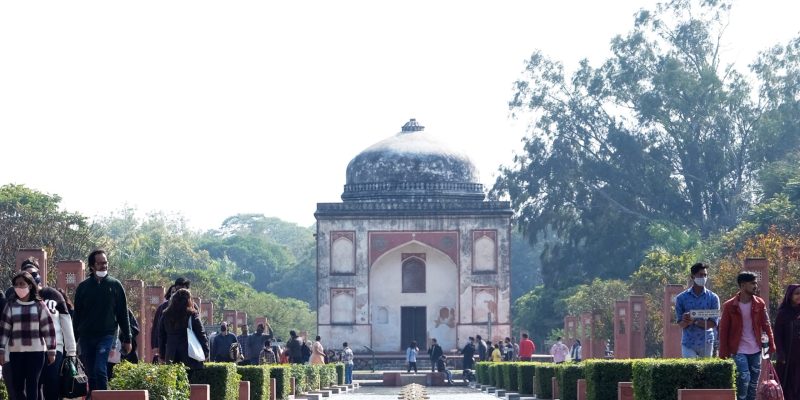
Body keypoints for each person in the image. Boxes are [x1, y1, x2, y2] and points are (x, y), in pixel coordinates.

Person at [11, 258, 78, 400]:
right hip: (31, 350)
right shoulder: (17, 299)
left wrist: (71, 351)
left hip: (55, 348)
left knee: (52, 386)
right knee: (33, 388)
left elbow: (66, 322)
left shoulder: (53, 294)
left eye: (34, 274)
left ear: (39, 275)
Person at [73, 249, 133, 395]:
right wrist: (73, 340)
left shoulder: (115, 285)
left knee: (100, 368)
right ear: (92, 266)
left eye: (105, 262)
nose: (103, 266)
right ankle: (94, 396)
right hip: (86, 336)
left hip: (106, 335)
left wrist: (128, 338)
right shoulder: (83, 287)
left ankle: (104, 396)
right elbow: (77, 315)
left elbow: (122, 314)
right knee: (90, 372)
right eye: (100, 263)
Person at [0, 271, 57, 400]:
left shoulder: (39, 305)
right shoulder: (10, 305)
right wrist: (1, 350)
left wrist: (51, 350)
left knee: (33, 385)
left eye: (22, 284)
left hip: (36, 352)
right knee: (17, 386)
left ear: (30, 285)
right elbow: (4, 330)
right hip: (16, 352)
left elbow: (48, 328)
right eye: (16, 284)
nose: (19, 287)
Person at [719, 271, 775, 400]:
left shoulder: (760, 303)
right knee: (744, 377)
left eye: (756, 283)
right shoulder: (729, 306)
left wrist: (771, 345)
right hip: (738, 349)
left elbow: (766, 325)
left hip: (755, 349)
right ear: (743, 285)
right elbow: (724, 330)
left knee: (754, 383)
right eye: (752, 283)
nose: (756, 286)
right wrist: (723, 351)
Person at [675, 262, 720, 358]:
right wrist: (686, 320)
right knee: (689, 371)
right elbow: (680, 324)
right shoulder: (681, 298)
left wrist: (695, 321)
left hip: (706, 342)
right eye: (700, 275)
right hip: (688, 343)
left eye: (705, 275)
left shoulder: (713, 298)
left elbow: (713, 323)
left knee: (706, 371)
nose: (703, 278)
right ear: (693, 276)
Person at [159, 289, 209, 370]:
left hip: (171, 355)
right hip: (190, 355)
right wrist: (206, 353)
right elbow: (201, 334)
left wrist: (162, 354)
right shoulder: (192, 315)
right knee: (190, 380)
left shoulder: (165, 315)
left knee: (173, 380)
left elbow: (161, 336)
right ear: (189, 301)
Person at [151, 278, 191, 361]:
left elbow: (198, 329)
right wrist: (157, 347)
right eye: (175, 291)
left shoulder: (192, 308)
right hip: (169, 349)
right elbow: (158, 329)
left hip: (188, 349)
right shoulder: (163, 308)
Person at [774, 283, 800, 400]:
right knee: (787, 382)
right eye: (797, 294)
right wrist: (780, 353)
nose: (799, 296)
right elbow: (777, 335)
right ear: (790, 295)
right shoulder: (783, 313)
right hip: (788, 356)